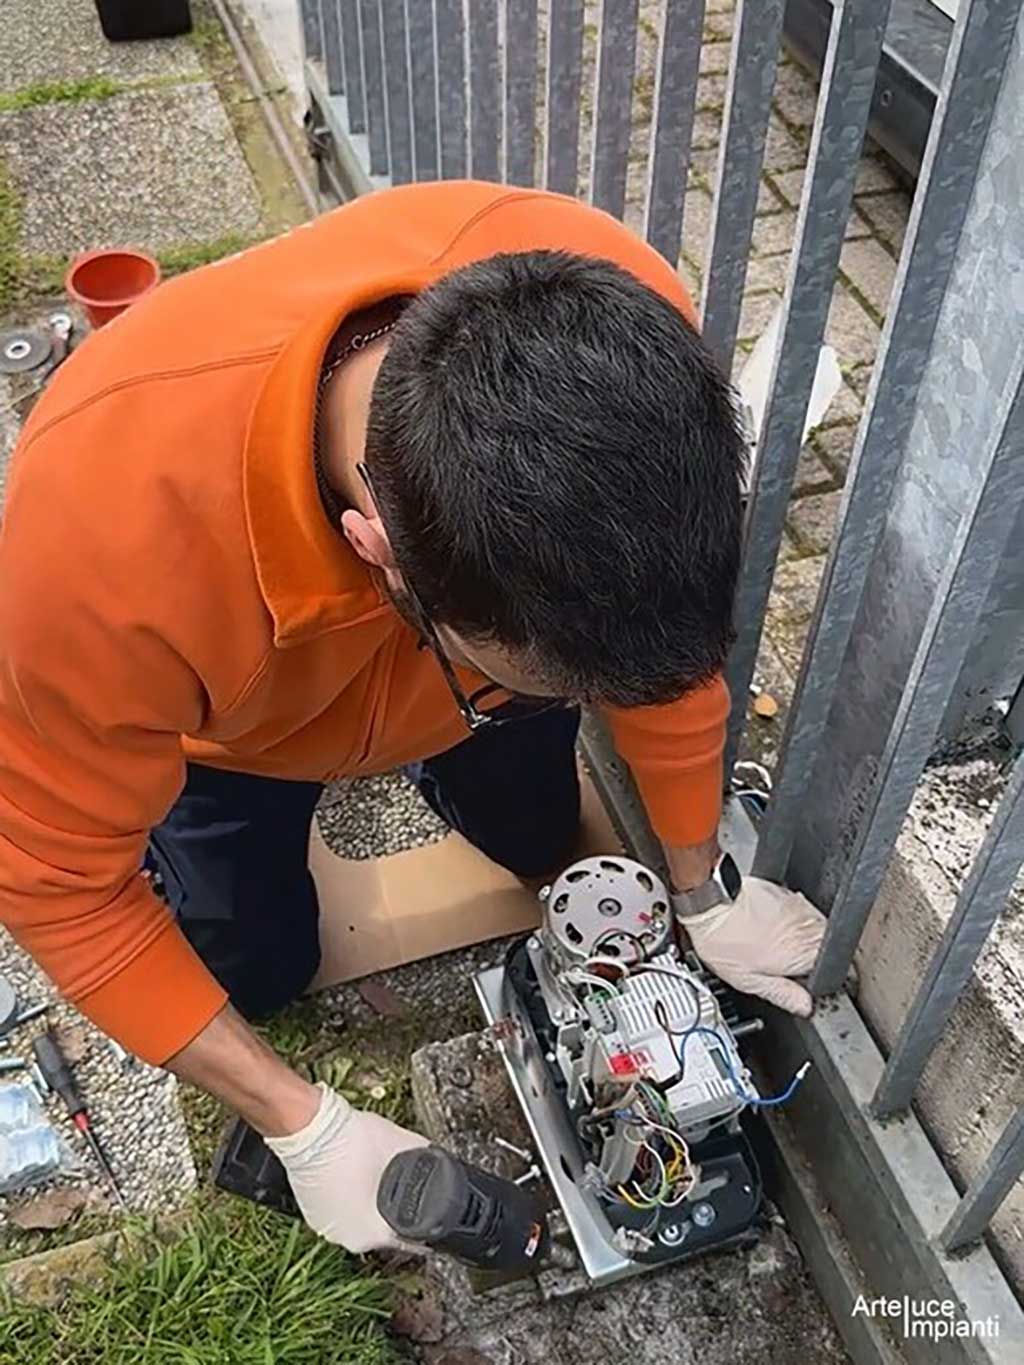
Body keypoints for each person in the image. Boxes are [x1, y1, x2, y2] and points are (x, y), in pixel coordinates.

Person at [0, 182, 825, 1254]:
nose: (601, 704)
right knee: (252, 972)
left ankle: (463, 745)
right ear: (375, 549)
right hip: (230, 733)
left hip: (457, 679)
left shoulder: (616, 313)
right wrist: (301, 1124)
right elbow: (60, 887)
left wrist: (701, 883)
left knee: (540, 837)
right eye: (553, 683)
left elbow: (658, 647)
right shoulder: (91, 564)